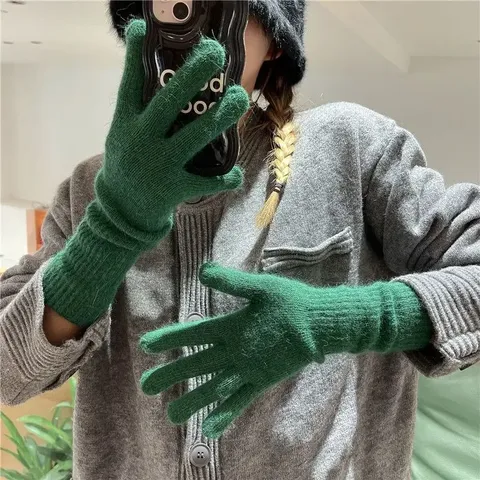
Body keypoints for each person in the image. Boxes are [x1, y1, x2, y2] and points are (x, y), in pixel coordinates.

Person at [1, 1, 479, 479]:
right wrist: (113, 223)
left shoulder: (351, 148)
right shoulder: (91, 191)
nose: (189, 30)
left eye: (217, 5)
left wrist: (340, 321)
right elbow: (8, 371)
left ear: (274, 42)